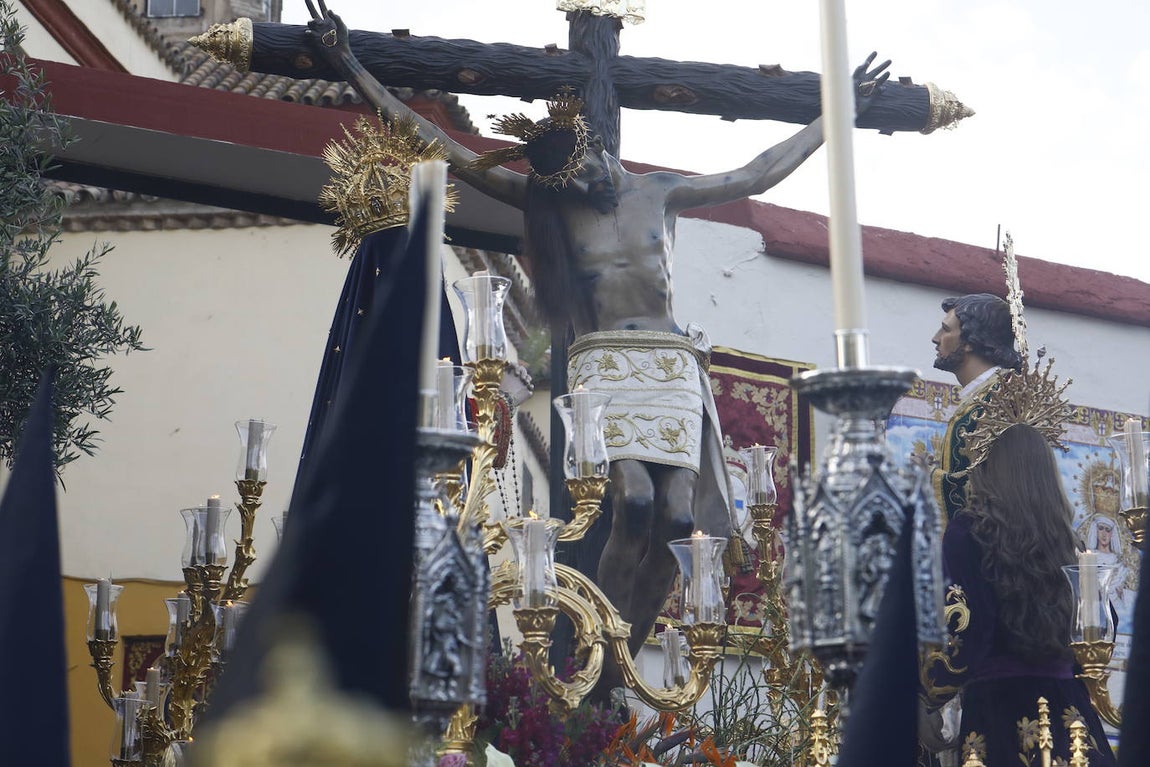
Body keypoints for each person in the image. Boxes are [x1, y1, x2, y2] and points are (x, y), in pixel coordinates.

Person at [303, 0, 891, 693]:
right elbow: (444, 148)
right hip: (605, 364)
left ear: (596, 147)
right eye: (568, 186)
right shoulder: (552, 200)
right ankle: (598, 658)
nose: (582, 189)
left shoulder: (660, 192)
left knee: (679, 519)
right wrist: (353, 67)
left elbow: (757, 172)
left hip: (670, 365)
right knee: (633, 502)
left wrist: (835, 113)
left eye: (585, 173)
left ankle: (619, 669)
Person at [922, 424, 1116, 766]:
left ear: (986, 468)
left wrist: (924, 697)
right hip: (1071, 716)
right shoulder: (1069, 542)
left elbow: (965, 630)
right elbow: (1098, 629)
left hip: (998, 713)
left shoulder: (968, 532)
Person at [926, 293, 1023, 520]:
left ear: (971, 341)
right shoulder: (986, 397)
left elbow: (985, 493)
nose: (935, 338)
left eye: (945, 330)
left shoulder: (995, 403)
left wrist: (927, 477)